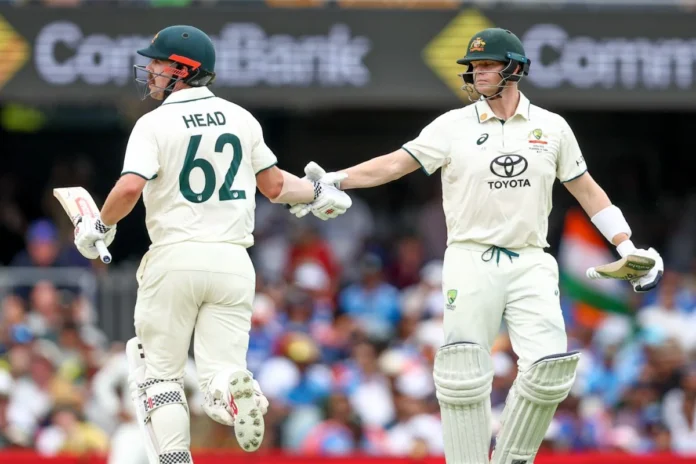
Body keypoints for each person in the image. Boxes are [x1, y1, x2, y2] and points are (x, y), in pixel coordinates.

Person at [288, 27, 663, 464]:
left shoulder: (552, 128)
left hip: (530, 259)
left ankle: (510, 459)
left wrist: (624, 243)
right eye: (475, 66)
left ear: (515, 69)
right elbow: (394, 164)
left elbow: (587, 190)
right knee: (463, 371)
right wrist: (335, 179)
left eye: (487, 65)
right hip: (470, 257)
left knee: (549, 371)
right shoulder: (452, 125)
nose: (478, 73)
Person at [71, 25, 352, 464]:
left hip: (175, 257)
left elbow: (128, 189)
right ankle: (236, 395)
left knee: (161, 375)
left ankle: (175, 458)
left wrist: (99, 227)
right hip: (233, 262)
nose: (150, 71)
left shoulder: (154, 123)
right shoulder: (241, 118)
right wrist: (318, 194)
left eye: (158, 64)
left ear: (182, 70)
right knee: (220, 370)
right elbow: (276, 186)